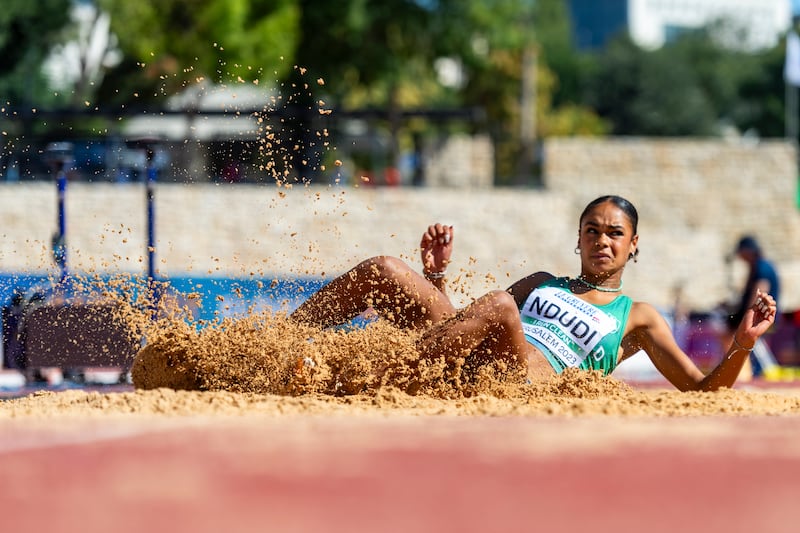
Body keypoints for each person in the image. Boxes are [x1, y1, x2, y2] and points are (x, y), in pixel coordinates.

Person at [291, 195, 777, 392]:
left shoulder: (639, 317)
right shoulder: (543, 281)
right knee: (385, 269)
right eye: (591, 230)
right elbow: (464, 325)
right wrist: (436, 278)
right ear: (579, 238)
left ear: (633, 245)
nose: (601, 240)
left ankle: (369, 381)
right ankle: (275, 341)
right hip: (477, 358)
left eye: (614, 233)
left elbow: (699, 389)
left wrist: (744, 343)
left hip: (527, 380)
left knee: (504, 307)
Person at [721, 235, 781, 380]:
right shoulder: (757, 266)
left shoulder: (762, 267)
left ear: (748, 251)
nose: (740, 257)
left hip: (762, 316)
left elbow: (760, 292)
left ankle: (753, 371)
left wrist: (747, 316)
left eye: (741, 252)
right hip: (757, 313)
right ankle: (742, 369)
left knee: (740, 335)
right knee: (729, 331)